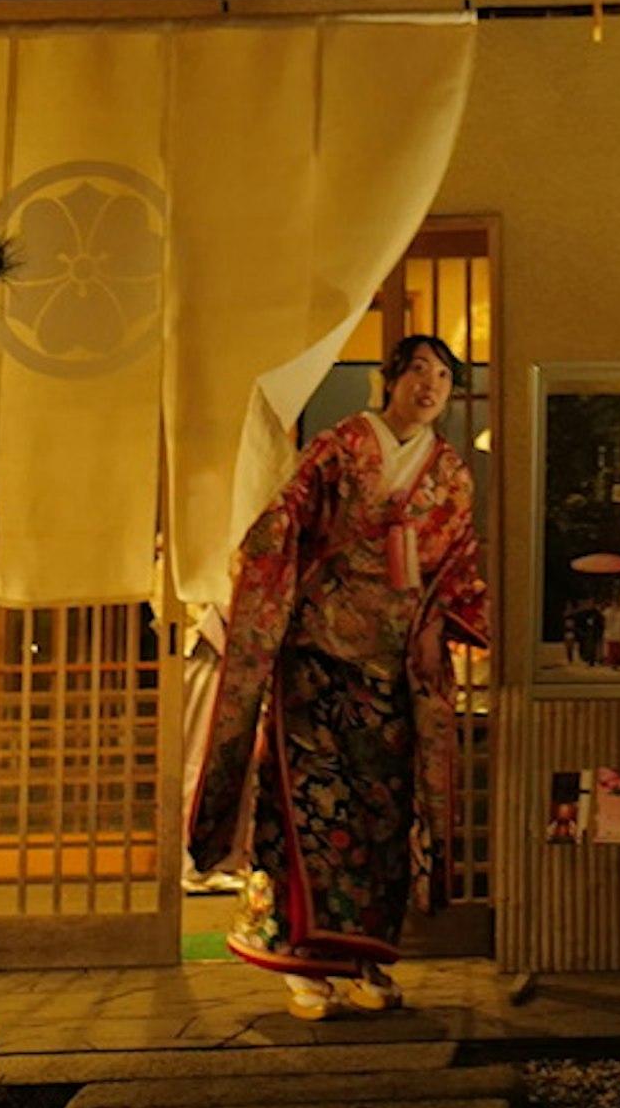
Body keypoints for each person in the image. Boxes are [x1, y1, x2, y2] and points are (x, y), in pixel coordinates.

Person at [183, 330, 486, 1019]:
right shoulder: (343, 444)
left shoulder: (450, 472)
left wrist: (474, 626)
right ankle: (299, 962)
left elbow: (459, 566)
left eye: (442, 374)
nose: (429, 384)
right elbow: (288, 512)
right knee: (308, 813)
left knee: (381, 818)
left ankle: (366, 957)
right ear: (390, 379)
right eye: (416, 370)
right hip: (317, 660)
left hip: (393, 668)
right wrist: (260, 548)